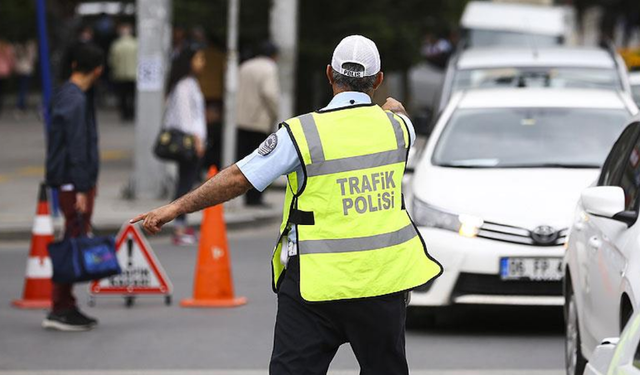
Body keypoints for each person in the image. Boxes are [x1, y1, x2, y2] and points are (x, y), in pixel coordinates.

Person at [132, 35, 443, 374]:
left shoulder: (302, 133)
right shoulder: (399, 129)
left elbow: (238, 178)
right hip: (382, 283)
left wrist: (175, 208)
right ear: (378, 79)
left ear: (329, 75)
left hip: (315, 285)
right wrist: (392, 105)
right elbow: (397, 109)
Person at [44, 43, 104, 331]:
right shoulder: (76, 100)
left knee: (73, 236)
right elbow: (77, 147)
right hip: (73, 182)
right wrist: (82, 187)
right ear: (97, 70)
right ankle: (60, 307)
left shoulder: (67, 94)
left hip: (73, 180)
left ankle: (65, 304)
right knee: (72, 240)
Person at [162, 45, 207, 246]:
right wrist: (197, 140)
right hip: (189, 142)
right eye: (199, 58)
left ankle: (181, 223)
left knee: (186, 182)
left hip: (193, 140)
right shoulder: (184, 85)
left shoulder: (189, 83)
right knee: (185, 184)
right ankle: (179, 226)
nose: (202, 63)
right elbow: (186, 118)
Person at [235, 41, 280, 207]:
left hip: (241, 119)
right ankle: (255, 198)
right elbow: (269, 93)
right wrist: (275, 113)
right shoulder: (269, 68)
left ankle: (246, 196)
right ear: (274, 55)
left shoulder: (245, 66)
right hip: (259, 121)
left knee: (244, 160)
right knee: (261, 161)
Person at [108, 23, 137, 121]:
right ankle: (132, 112)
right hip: (134, 74)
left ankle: (125, 114)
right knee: (132, 95)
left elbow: (112, 60)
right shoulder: (136, 44)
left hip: (121, 74)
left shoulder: (116, 45)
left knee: (123, 96)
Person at [13, 39, 37, 114]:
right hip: (27, 69)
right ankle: (21, 105)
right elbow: (33, 58)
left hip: (20, 69)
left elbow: (14, 58)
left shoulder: (17, 46)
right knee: (24, 88)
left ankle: (21, 105)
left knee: (22, 88)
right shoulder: (30, 45)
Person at [0, 39, 14, 117]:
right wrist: (11, 68)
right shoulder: (6, 48)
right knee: (2, 91)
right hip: (4, 72)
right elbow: (10, 59)